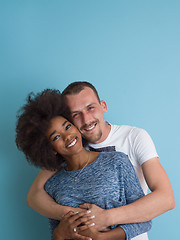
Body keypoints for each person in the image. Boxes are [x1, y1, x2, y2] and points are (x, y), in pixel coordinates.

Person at [26, 82, 175, 240]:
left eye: (90, 108)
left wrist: (104, 219)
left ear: (103, 106)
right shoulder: (66, 155)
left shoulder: (132, 139)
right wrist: (65, 224)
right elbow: (34, 196)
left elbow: (166, 199)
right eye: (76, 114)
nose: (86, 119)